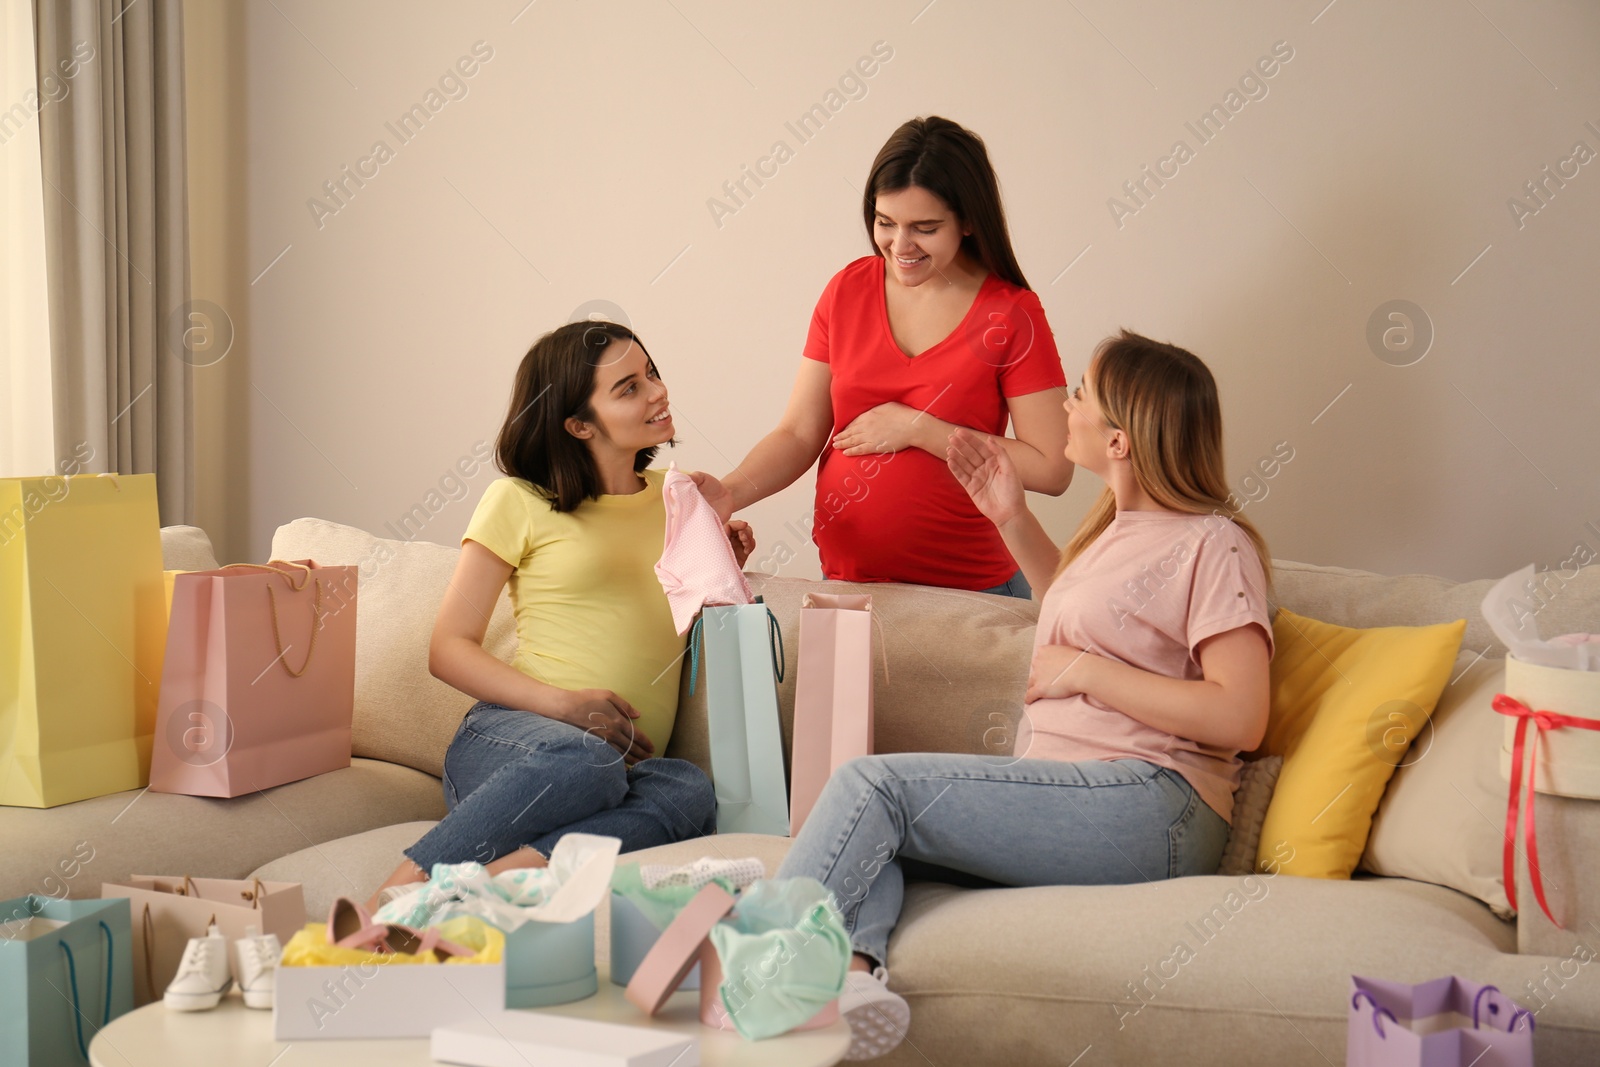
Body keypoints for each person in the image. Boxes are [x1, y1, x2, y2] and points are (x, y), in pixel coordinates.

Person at [775, 331, 1275, 1060]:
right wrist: (1007, 513)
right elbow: (1071, 616)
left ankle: (752, 965)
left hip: (1154, 804)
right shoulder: (1115, 530)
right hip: (1091, 791)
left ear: (1122, 439)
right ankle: (853, 983)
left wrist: (1086, 675)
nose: (1064, 406)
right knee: (872, 839)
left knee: (869, 784)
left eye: (1081, 394)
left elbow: (1241, 715)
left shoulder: (1212, 543)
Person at [368, 321, 747, 907]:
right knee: (586, 758)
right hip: (520, 740)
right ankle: (391, 899)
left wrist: (722, 558)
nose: (656, 392)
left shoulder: (677, 499)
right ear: (578, 424)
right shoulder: (519, 500)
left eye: (652, 374)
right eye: (627, 387)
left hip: (622, 763)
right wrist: (568, 708)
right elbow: (448, 648)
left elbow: (696, 619)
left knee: (686, 789)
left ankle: (490, 885)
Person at [694, 116, 1072, 598]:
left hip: (972, 593)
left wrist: (919, 428)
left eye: (925, 228)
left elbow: (1052, 469)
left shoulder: (1012, 314)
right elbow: (800, 432)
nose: (900, 245)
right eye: (885, 223)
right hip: (849, 586)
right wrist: (729, 494)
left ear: (970, 221)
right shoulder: (847, 290)